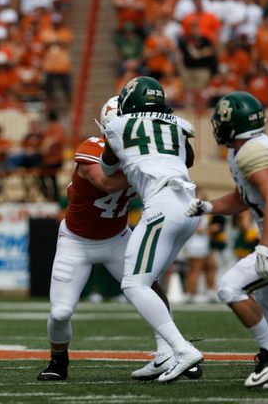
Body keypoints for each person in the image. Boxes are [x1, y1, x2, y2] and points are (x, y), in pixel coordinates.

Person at [37, 97, 199, 382]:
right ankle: (58, 361)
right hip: (76, 240)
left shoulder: (145, 154)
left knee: (148, 285)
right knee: (61, 313)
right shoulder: (92, 147)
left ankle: (171, 352)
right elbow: (105, 182)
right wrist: (148, 169)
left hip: (117, 237)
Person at [100, 76, 204, 383]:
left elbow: (107, 169)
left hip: (162, 206)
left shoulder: (117, 126)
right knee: (150, 278)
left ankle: (181, 350)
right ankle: (165, 355)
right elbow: (189, 158)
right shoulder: (178, 124)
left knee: (133, 284)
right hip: (189, 205)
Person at [186, 91, 268, 389]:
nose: (218, 126)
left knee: (230, 286)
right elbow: (244, 197)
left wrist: (266, 247)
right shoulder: (244, 150)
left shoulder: (251, 151)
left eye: (221, 121)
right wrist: (209, 207)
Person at [182, 190, 218, 303]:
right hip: (196, 246)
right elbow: (198, 230)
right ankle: (194, 293)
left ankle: (191, 292)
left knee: (210, 266)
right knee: (195, 270)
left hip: (201, 246)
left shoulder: (201, 213)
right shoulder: (195, 213)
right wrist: (212, 229)